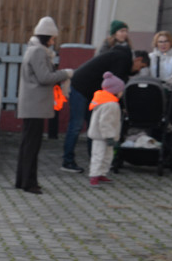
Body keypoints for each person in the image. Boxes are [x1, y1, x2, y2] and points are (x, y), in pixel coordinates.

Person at [61, 35, 145, 173]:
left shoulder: (120, 57)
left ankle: (95, 162)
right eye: (140, 67)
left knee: (92, 125)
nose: (138, 71)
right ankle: (67, 161)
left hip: (89, 90)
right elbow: (115, 88)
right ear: (138, 59)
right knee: (76, 125)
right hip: (81, 87)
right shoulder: (122, 60)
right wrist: (123, 107)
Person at [15, 17, 73, 194]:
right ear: (46, 37)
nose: (53, 42)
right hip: (36, 106)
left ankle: (22, 180)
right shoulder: (39, 52)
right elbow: (45, 77)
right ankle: (29, 182)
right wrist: (66, 73)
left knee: (28, 144)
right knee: (32, 145)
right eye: (52, 38)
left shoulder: (32, 49)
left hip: (32, 105)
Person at [87, 72, 125, 186]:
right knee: (99, 155)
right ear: (115, 90)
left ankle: (101, 173)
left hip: (105, 135)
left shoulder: (103, 101)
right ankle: (94, 175)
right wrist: (109, 136)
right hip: (103, 136)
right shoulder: (110, 104)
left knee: (107, 156)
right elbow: (105, 123)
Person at [146, 30, 172, 126]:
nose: (163, 44)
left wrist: (171, 80)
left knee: (169, 120)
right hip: (155, 91)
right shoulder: (151, 56)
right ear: (156, 43)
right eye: (160, 42)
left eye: (166, 41)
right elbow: (145, 71)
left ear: (171, 42)